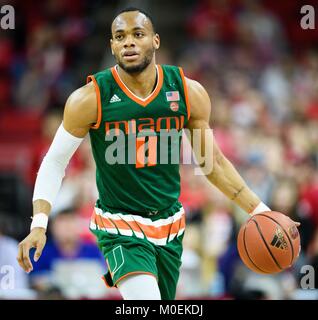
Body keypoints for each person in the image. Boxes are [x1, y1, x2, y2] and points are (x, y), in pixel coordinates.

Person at [17, 7, 299, 300]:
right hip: (119, 225)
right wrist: (39, 224)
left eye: (137, 34)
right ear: (112, 46)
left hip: (169, 226)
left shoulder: (188, 93)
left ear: (155, 41)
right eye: (119, 36)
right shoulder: (89, 99)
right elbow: (54, 162)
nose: (128, 42)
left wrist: (262, 211)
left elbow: (211, 162)